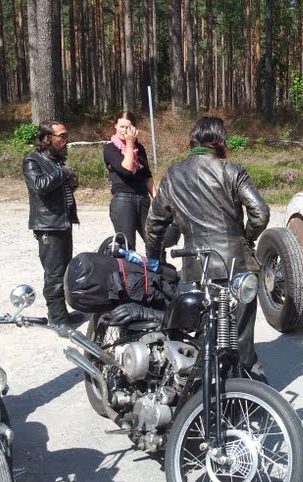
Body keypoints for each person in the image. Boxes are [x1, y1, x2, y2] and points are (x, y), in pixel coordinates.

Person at [143, 116, 270, 379]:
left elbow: (154, 224)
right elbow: (260, 213)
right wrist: (246, 238)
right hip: (237, 264)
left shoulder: (173, 175)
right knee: (241, 335)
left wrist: (154, 258)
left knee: (205, 332)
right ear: (220, 140)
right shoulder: (232, 170)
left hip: (196, 268)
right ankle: (251, 385)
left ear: (193, 140)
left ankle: (207, 386)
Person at [23, 120, 85, 330]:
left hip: (63, 222)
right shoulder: (33, 160)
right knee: (54, 274)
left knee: (65, 270)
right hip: (49, 225)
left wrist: (71, 182)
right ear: (47, 138)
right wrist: (63, 173)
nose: (66, 140)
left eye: (67, 135)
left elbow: (59, 189)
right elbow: (40, 185)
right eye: (62, 136)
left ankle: (62, 314)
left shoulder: (57, 161)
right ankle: (57, 319)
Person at [103, 111, 155, 251]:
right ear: (115, 126)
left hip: (143, 199)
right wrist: (130, 144)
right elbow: (126, 169)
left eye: (128, 127)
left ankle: (156, 265)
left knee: (155, 242)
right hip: (124, 201)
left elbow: (147, 176)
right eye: (121, 126)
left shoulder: (140, 149)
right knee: (127, 246)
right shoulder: (110, 148)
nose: (124, 131)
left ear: (134, 128)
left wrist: (157, 200)